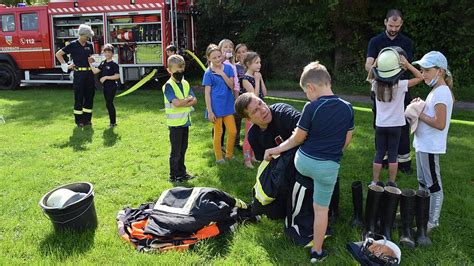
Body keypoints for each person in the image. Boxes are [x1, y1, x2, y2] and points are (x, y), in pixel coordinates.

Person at [263, 62, 354, 263]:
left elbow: (298, 139)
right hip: (328, 168)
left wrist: (275, 149)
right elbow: (346, 140)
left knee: (304, 184)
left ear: (311, 87)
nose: (307, 96)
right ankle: (317, 252)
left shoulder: (311, 107)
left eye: (306, 92)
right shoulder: (348, 108)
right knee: (321, 210)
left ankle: (295, 221)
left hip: (304, 163)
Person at [365, 9, 414, 174]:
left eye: (397, 26)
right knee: (379, 123)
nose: (394, 28)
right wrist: (376, 73)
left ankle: (404, 162)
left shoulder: (407, 42)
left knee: (403, 125)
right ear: (385, 22)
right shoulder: (375, 41)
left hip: (400, 89)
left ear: (401, 24)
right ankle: (383, 159)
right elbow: (368, 64)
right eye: (391, 25)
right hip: (380, 89)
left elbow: (407, 66)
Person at [411, 51, 454, 232]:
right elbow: (431, 113)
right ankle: (421, 213)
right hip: (422, 144)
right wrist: (421, 105)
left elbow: (440, 123)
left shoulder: (442, 92)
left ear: (440, 71)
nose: (423, 74)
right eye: (422, 70)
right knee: (422, 180)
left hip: (430, 146)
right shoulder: (435, 91)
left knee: (433, 185)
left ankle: (432, 222)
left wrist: (419, 113)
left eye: (427, 70)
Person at [368, 47, 423, 186]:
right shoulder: (401, 85)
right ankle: (391, 183)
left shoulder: (375, 85)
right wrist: (408, 65)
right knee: (393, 154)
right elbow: (420, 77)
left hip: (381, 125)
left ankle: (375, 181)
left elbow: (369, 77)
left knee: (379, 153)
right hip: (396, 126)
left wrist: (375, 65)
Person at [234, 93, 301, 161]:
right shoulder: (253, 136)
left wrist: (278, 149)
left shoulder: (283, 113)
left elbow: (307, 130)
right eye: (255, 111)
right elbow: (265, 162)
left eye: (260, 103)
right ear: (249, 119)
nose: (263, 110)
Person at [163, 54, 197, 182]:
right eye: (177, 71)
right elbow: (176, 104)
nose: (180, 73)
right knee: (175, 152)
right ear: (169, 70)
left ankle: (182, 173)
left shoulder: (185, 83)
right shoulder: (168, 86)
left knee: (183, 149)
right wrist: (186, 100)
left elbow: (194, 100)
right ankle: (174, 175)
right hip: (175, 124)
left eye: (182, 70)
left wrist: (184, 101)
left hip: (185, 122)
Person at [56, 24, 96, 127]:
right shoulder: (72, 45)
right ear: (81, 35)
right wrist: (66, 66)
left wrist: (92, 59)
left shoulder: (89, 45)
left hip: (89, 74)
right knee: (79, 97)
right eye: (87, 36)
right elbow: (58, 54)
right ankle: (79, 121)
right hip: (78, 74)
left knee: (89, 97)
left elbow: (92, 57)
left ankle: (87, 119)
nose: (88, 38)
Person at [202, 44, 237, 163]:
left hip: (228, 105)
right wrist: (210, 111)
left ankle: (229, 154)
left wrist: (222, 74)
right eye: (214, 58)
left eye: (219, 56)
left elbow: (231, 86)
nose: (217, 59)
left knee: (233, 131)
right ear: (209, 58)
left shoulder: (228, 68)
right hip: (216, 107)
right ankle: (219, 158)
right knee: (218, 132)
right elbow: (207, 93)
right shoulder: (208, 73)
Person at [241, 52, 268, 168]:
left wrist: (260, 79)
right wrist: (257, 80)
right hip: (251, 112)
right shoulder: (245, 79)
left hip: (259, 110)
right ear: (248, 64)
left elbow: (265, 93)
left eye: (260, 62)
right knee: (249, 135)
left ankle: (253, 156)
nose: (259, 65)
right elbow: (254, 97)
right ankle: (247, 160)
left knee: (256, 134)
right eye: (256, 63)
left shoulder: (257, 76)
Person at [90, 44, 120, 128]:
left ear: (112, 53)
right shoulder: (103, 62)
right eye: (105, 52)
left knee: (109, 103)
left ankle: (113, 123)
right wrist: (89, 64)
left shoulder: (114, 64)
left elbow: (117, 76)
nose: (107, 54)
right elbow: (95, 71)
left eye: (109, 52)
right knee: (108, 103)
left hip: (112, 86)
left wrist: (106, 77)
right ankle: (112, 122)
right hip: (105, 87)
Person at [234, 43, 249, 150]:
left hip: (249, 95)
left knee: (250, 120)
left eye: (243, 51)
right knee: (237, 120)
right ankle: (236, 143)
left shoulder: (251, 64)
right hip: (238, 96)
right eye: (239, 52)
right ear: (236, 54)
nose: (241, 54)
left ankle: (250, 142)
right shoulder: (234, 66)